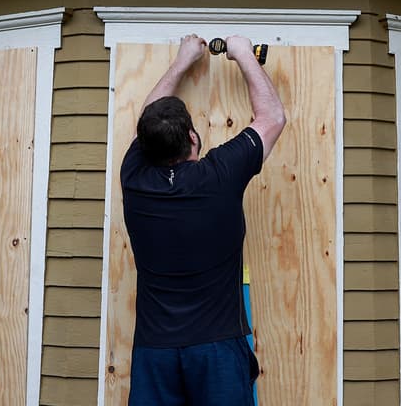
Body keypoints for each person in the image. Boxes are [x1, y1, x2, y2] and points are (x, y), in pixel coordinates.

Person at [121, 34, 286, 406]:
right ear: (194, 139)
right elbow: (272, 118)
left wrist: (182, 61)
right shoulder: (219, 174)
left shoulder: (134, 178)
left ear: (146, 145)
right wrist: (245, 55)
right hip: (216, 349)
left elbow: (146, 122)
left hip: (155, 351)